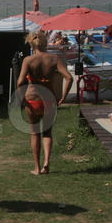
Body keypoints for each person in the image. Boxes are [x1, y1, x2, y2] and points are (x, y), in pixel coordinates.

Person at [16, 31, 72, 175]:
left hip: (33, 99)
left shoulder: (28, 60)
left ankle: (37, 167)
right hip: (49, 99)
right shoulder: (54, 58)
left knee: (35, 133)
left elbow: (20, 81)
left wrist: (21, 98)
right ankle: (47, 162)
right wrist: (64, 97)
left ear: (31, 44)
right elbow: (69, 78)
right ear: (45, 43)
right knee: (47, 132)